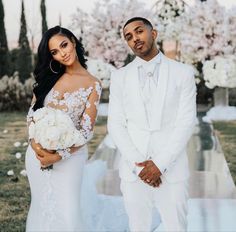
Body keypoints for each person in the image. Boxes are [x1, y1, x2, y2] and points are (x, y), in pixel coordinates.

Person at [108, 17, 196, 231]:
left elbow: (186, 122)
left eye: (139, 31)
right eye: (128, 37)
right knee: (138, 227)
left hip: (172, 169)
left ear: (153, 33)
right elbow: (116, 125)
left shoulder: (183, 73)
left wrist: (159, 164)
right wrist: (141, 167)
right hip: (133, 170)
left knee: (176, 227)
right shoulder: (119, 77)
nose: (135, 38)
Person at [25, 26, 102, 231]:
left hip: (70, 159)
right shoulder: (48, 78)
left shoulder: (93, 84)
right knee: (40, 207)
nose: (62, 53)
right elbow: (32, 115)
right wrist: (35, 145)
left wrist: (57, 156)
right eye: (55, 52)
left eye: (64, 45)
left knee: (68, 212)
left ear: (73, 41)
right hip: (36, 155)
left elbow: (86, 131)